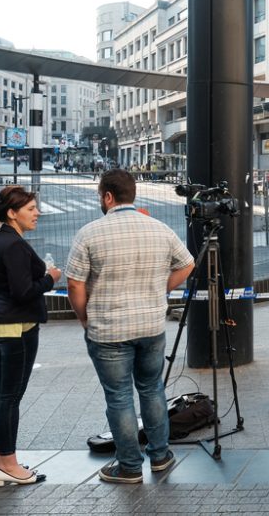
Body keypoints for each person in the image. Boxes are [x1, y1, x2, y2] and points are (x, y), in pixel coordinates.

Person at [66, 169, 195, 484]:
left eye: (100, 196)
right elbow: (188, 264)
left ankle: (129, 467)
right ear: (132, 195)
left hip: (108, 329)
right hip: (151, 326)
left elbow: (74, 283)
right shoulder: (159, 228)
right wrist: (161, 289)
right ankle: (161, 457)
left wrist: (85, 318)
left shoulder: (90, 233)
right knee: (153, 390)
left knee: (119, 397)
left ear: (108, 196)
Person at [0, 186, 60, 487]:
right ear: (13, 213)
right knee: (10, 397)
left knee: (1, 395)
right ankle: (10, 465)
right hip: (16, 327)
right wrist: (50, 277)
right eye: (30, 209)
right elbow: (23, 291)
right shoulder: (13, 244)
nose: (37, 212)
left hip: (1, 324)